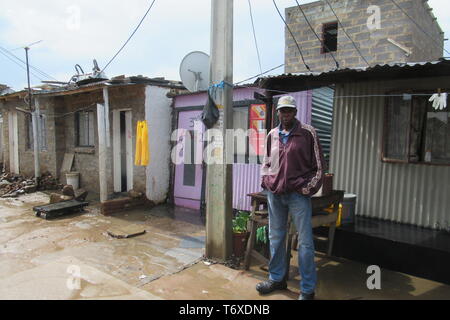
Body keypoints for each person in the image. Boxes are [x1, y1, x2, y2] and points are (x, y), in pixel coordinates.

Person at [257, 95, 325, 300]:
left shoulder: (308, 133)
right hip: (275, 195)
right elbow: (266, 164)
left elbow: (319, 167)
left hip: (298, 196)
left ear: (295, 112)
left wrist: (306, 189)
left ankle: (307, 290)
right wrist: (268, 183)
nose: (285, 114)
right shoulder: (272, 135)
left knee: (305, 243)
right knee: (276, 237)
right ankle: (277, 278)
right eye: (282, 110)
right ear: (278, 112)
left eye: (289, 110)